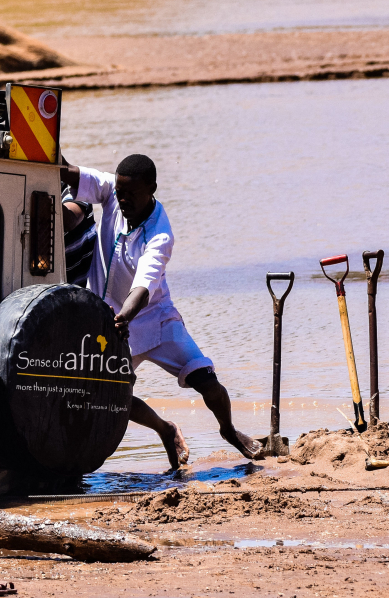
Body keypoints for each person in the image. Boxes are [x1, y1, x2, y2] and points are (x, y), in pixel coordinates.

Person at [64, 152, 259, 471]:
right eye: (120, 192)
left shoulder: (160, 234)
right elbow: (72, 174)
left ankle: (228, 430)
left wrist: (125, 316)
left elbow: (143, 285)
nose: (122, 199)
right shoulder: (112, 192)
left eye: (131, 194)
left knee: (207, 381)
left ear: (152, 188)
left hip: (154, 320)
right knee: (113, 396)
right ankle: (165, 430)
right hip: (114, 324)